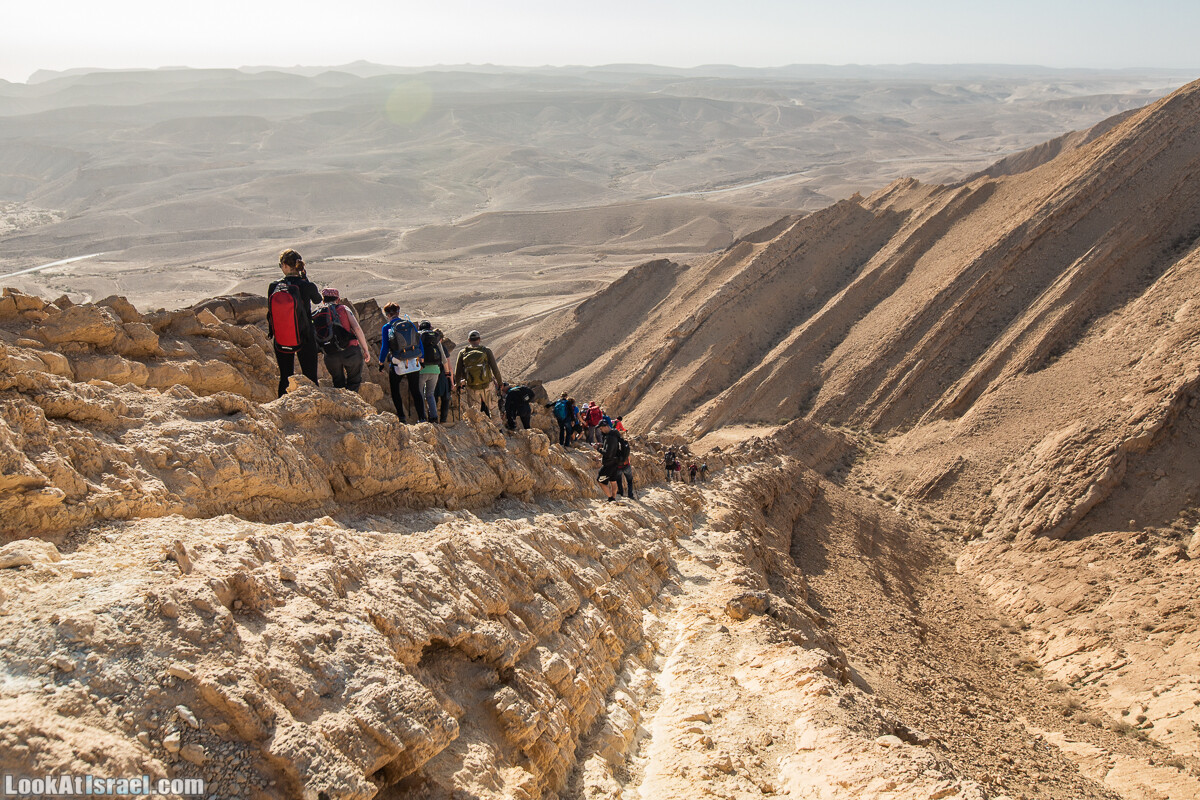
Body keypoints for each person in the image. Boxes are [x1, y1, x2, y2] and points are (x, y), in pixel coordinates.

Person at [267, 249, 323, 397]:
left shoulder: (274, 286)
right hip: (306, 335)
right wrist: (305, 279)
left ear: (285, 265)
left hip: (282, 336)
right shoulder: (306, 285)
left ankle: (282, 405)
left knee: (285, 377)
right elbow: (318, 300)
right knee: (310, 377)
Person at [315, 288, 371, 391]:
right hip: (350, 351)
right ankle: (352, 400)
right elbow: (357, 328)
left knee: (338, 384)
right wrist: (365, 349)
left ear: (323, 300)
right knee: (354, 382)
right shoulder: (343, 308)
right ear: (338, 299)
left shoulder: (318, 313)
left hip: (330, 354)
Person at [379, 303, 426, 423]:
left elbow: (385, 347)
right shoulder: (409, 324)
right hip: (413, 361)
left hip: (397, 362)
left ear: (387, 314)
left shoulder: (387, 327)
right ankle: (422, 418)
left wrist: (381, 363)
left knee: (395, 390)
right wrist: (422, 360)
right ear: (398, 312)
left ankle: (402, 417)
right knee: (415, 391)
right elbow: (419, 343)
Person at [454, 330, 502, 417]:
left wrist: (458, 384)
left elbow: (458, 371)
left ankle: (477, 425)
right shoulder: (486, 351)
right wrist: (500, 383)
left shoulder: (463, 353)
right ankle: (498, 425)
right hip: (487, 385)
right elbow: (495, 369)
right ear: (479, 339)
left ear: (469, 340)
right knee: (494, 409)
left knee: (475, 412)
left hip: (472, 387)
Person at [417, 321, 449, 423]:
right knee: (430, 394)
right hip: (435, 370)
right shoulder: (435, 338)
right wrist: (447, 372)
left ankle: (422, 417)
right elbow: (444, 358)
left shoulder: (418, 336)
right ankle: (434, 417)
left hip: (421, 370)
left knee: (420, 394)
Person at [596, 417, 624, 502]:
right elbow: (612, 448)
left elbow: (608, 453)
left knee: (600, 481)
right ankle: (613, 498)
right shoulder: (614, 434)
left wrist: (598, 449)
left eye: (601, 428)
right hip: (615, 462)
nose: (600, 430)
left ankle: (610, 498)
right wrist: (602, 445)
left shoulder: (609, 437)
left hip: (609, 464)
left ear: (605, 427)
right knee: (613, 481)